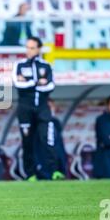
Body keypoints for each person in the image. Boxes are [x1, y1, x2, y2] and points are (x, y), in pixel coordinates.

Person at [12, 36, 64, 181]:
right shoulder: (19, 65)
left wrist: (29, 82)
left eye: (32, 48)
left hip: (42, 108)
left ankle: (53, 171)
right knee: (27, 142)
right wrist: (36, 82)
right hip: (25, 109)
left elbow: (51, 85)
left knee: (47, 139)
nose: (28, 50)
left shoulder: (46, 66)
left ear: (39, 49)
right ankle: (31, 174)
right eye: (27, 47)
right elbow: (17, 83)